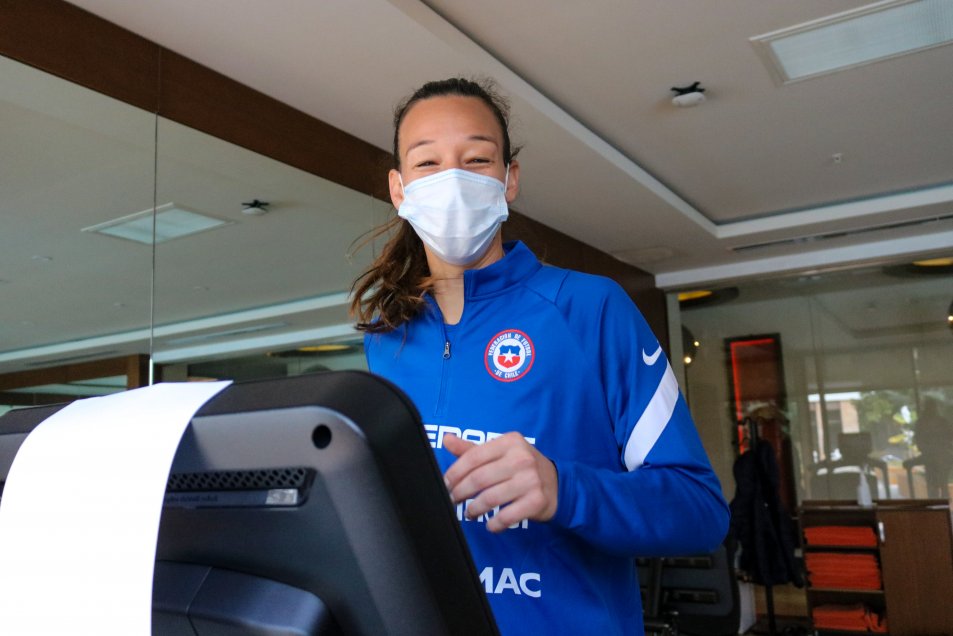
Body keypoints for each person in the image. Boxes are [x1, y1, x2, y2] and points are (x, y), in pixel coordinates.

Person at [350, 77, 729, 635]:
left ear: (509, 180)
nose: (452, 180)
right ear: (398, 188)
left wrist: (564, 488)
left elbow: (699, 511)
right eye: (427, 163)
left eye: (476, 159)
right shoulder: (387, 337)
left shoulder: (590, 309)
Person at [914, 397, 953, 499]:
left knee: (937, 485)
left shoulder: (924, 423)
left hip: (939, 456)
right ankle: (938, 508)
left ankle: (940, 508)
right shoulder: (924, 423)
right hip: (934, 457)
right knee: (937, 485)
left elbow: (950, 437)